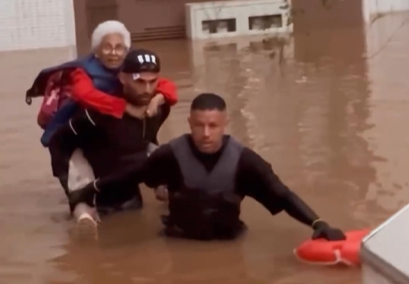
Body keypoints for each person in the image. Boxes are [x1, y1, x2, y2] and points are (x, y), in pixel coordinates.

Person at [70, 93, 347, 241]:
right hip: (178, 241)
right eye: (199, 125)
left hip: (229, 240)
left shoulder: (245, 161)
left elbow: (282, 194)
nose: (205, 133)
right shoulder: (170, 155)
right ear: (189, 124)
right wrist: (89, 190)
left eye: (213, 126)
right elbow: (133, 175)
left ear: (224, 125)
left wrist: (318, 223)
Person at [49, 48, 171, 239]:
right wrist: (70, 179)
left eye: (152, 82)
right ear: (122, 78)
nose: (147, 89)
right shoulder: (96, 114)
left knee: (170, 158)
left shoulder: (160, 108)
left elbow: (149, 135)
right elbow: (58, 141)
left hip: (127, 180)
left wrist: (159, 177)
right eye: (139, 81)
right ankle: (83, 215)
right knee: (83, 200)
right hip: (95, 180)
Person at [25, 20, 177, 147]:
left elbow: (167, 86)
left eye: (119, 48)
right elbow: (83, 94)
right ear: (97, 50)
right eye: (107, 47)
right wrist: (125, 107)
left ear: (126, 51)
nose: (113, 53)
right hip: (77, 124)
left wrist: (157, 99)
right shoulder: (82, 71)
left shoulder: (129, 68)